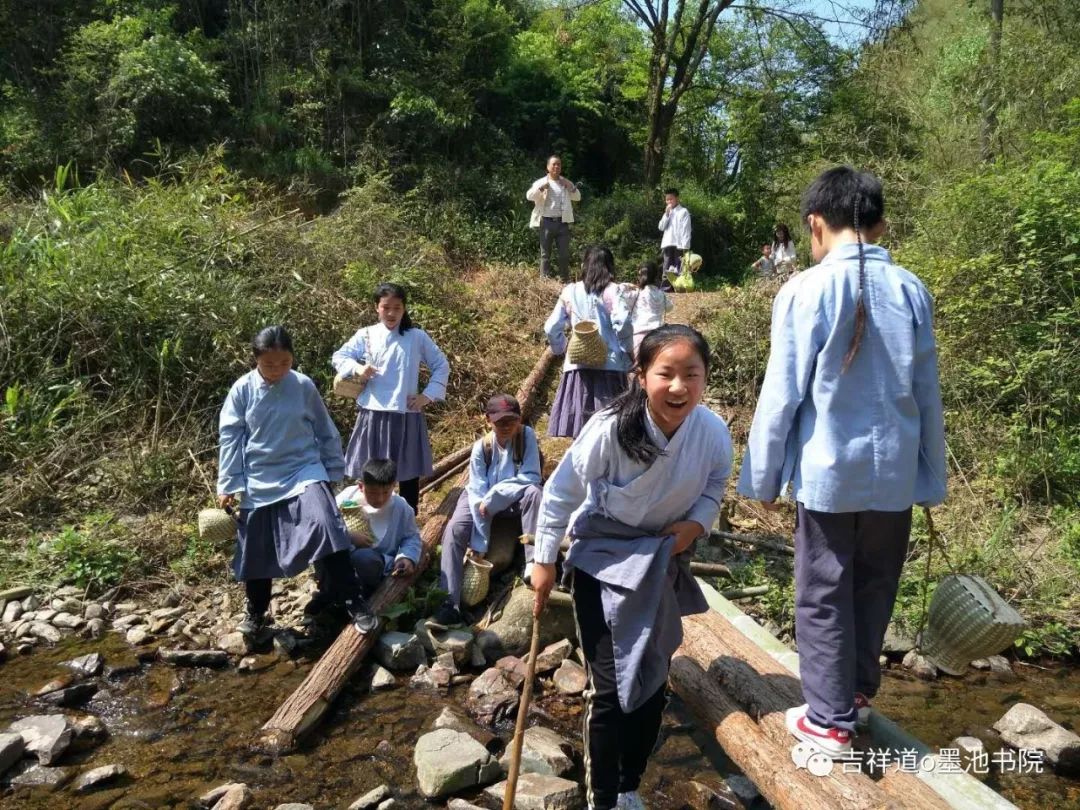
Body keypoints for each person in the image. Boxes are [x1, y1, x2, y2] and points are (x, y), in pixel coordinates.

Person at [737, 166, 946, 759]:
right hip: (896, 475)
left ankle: (827, 721)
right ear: (880, 224)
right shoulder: (911, 288)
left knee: (823, 588)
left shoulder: (804, 290)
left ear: (815, 225)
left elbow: (781, 394)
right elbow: (927, 392)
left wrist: (763, 475)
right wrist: (930, 477)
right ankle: (853, 696)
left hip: (829, 473)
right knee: (875, 583)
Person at [531, 325, 734, 810]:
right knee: (607, 686)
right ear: (640, 376)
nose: (679, 386)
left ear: (705, 379)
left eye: (692, 374)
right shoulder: (608, 428)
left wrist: (694, 528)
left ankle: (628, 786)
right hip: (601, 556)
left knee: (652, 677)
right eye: (666, 373)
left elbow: (714, 487)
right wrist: (542, 562)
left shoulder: (712, 432)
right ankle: (601, 797)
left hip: (660, 559)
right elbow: (560, 494)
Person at [218, 325, 378, 636]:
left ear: (292, 359)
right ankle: (256, 611)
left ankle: (352, 598)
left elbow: (325, 430)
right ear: (255, 361)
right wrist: (228, 485)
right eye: (268, 365)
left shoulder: (303, 385)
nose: (277, 370)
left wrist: (333, 473)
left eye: (284, 363)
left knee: (326, 525)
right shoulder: (242, 390)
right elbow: (230, 438)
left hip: (304, 469)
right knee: (256, 547)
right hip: (260, 475)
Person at [332, 282, 450, 514]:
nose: (391, 313)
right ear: (377, 307)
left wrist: (427, 396)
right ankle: (364, 518)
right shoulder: (365, 334)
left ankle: (408, 520)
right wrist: (357, 369)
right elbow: (340, 356)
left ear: (404, 309)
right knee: (369, 471)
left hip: (406, 414)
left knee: (408, 473)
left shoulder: (416, 337)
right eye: (386, 307)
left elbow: (441, 365)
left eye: (397, 307)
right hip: (373, 414)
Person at [429, 394, 543, 628]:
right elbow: (478, 496)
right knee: (454, 530)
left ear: (520, 420)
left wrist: (496, 496)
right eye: (500, 422)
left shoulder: (526, 437)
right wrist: (480, 543)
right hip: (478, 500)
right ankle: (449, 603)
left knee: (535, 493)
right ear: (488, 421)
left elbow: (531, 476)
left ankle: (534, 562)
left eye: (511, 421)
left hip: (511, 499)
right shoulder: (482, 448)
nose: (506, 427)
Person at [544, 246, 633, 438]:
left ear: (585, 265)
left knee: (580, 432)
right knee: (610, 431)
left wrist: (561, 348)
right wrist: (627, 350)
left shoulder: (570, 291)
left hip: (578, 367)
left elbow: (551, 327)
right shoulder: (612, 290)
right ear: (609, 266)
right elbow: (623, 322)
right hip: (610, 366)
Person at [322, 459, 422, 604]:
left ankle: (365, 593)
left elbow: (411, 537)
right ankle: (330, 593)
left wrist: (406, 557)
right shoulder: (346, 498)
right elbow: (326, 526)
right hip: (342, 559)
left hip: (375, 564)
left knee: (364, 558)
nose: (380, 499)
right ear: (361, 486)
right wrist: (348, 536)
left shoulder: (401, 508)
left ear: (393, 486)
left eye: (386, 492)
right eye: (373, 493)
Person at [527, 156, 581, 279]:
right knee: (545, 255)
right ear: (548, 167)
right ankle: (544, 281)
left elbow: (577, 197)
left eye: (559, 164)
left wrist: (570, 187)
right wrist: (541, 189)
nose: (556, 167)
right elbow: (529, 196)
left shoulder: (565, 182)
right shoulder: (541, 182)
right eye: (554, 164)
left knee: (564, 255)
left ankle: (564, 281)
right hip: (546, 222)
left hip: (562, 223)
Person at [623, 262, 674, 361]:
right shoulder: (661, 294)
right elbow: (670, 307)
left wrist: (626, 286)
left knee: (637, 369)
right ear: (656, 276)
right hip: (658, 335)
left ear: (640, 276)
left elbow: (621, 298)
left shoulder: (637, 294)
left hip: (639, 334)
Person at [658, 188, 692, 277]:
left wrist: (685, 246)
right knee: (667, 267)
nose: (669, 201)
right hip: (668, 243)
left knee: (679, 266)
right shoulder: (667, 213)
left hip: (679, 245)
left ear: (677, 198)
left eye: (671, 199)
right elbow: (661, 227)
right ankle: (666, 288)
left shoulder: (683, 211)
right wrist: (666, 214)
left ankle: (678, 287)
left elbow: (686, 230)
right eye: (667, 199)